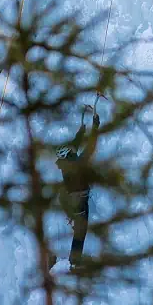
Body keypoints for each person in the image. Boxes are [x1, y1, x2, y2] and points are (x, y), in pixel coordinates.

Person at [56, 109, 99, 268]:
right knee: (80, 233)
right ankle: (74, 263)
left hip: (73, 200)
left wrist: (82, 130)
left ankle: (74, 262)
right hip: (79, 202)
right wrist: (95, 126)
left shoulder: (67, 163)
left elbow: (75, 143)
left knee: (79, 232)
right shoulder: (76, 164)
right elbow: (90, 148)